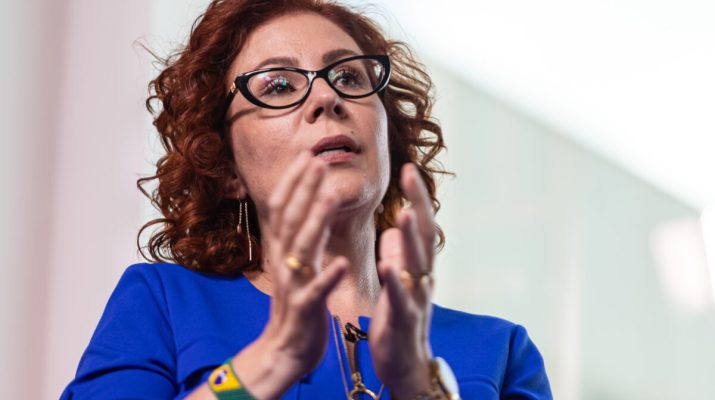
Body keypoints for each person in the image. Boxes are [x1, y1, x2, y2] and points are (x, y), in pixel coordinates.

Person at [61, 0, 552, 399]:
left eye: (350, 77)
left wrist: (421, 387)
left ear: (388, 136)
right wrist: (265, 364)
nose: (326, 98)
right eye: (278, 85)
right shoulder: (164, 304)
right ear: (227, 169)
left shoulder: (500, 351)